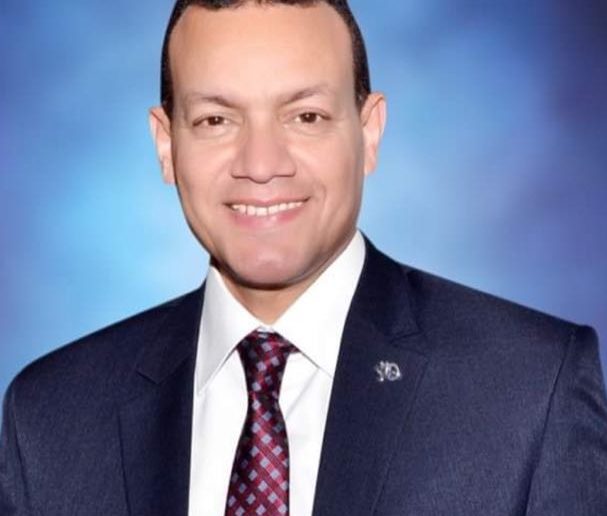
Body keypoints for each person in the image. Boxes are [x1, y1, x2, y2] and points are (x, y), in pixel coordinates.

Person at [1, 0, 606, 515]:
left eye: (306, 116)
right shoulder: (51, 418)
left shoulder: (530, 390)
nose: (261, 164)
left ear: (369, 131)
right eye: (216, 119)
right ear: (167, 145)